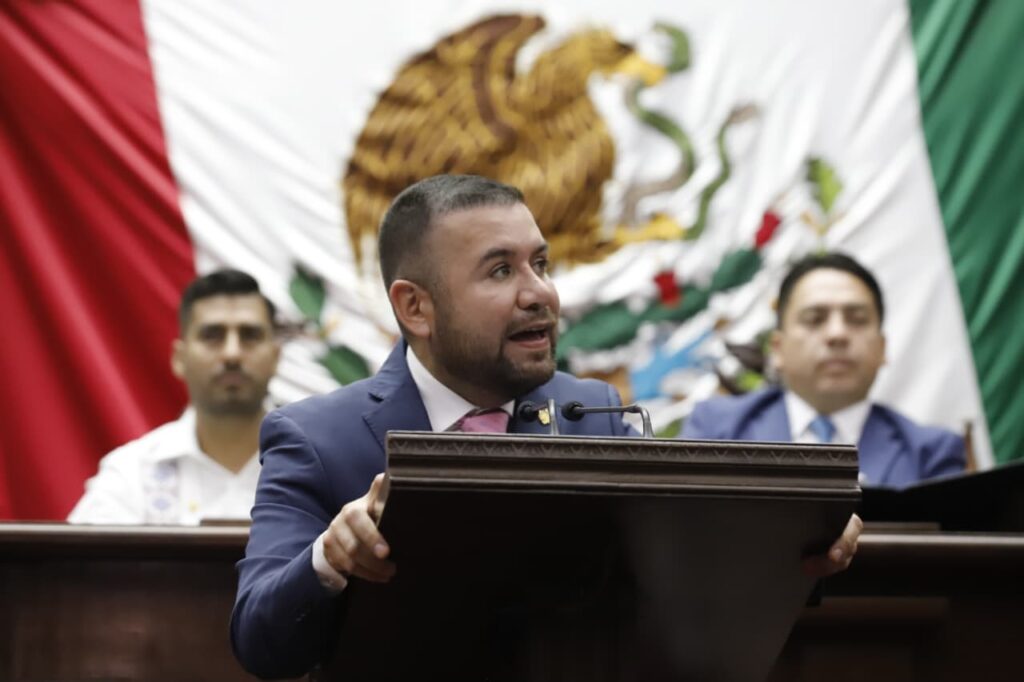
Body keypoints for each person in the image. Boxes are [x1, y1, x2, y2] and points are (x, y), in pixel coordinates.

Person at [230, 175, 861, 678]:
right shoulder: (318, 439)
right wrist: (328, 558)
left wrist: (795, 546)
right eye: (501, 271)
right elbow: (259, 640)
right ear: (415, 307)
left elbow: (679, 588)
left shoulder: (597, 414)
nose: (541, 294)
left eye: (541, 264)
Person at [683, 252, 966, 488]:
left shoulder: (931, 453)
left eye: (857, 319)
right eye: (815, 319)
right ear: (777, 349)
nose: (837, 334)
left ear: (882, 349)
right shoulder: (716, 431)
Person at [68, 269, 281, 525]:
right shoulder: (130, 476)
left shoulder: (314, 466)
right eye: (212, 336)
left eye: (250, 336)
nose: (232, 353)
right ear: (179, 358)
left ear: (276, 357)